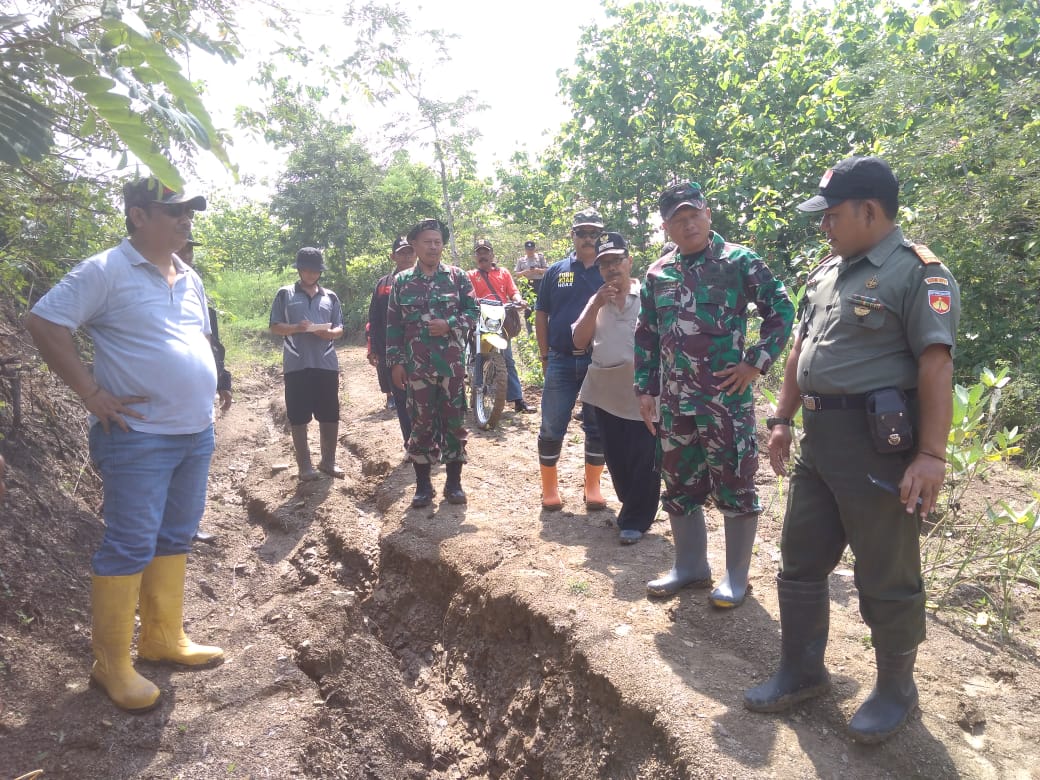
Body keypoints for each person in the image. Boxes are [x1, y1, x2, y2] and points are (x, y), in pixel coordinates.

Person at [743, 156, 960, 744]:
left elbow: (935, 366)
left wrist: (931, 457)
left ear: (870, 210)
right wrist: (782, 418)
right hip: (818, 442)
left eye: (833, 215)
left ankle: (896, 690)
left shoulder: (918, 275)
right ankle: (802, 670)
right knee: (801, 560)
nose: (825, 227)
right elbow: (797, 351)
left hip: (879, 450)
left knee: (886, 572)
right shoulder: (827, 272)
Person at [26, 175, 223, 713]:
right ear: (139, 215)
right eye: (175, 211)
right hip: (137, 437)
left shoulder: (189, 276)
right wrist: (91, 392)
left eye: (191, 211)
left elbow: (194, 342)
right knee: (130, 543)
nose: (186, 220)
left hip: (193, 433)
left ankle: (162, 638)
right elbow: (43, 323)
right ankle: (111, 664)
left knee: (175, 536)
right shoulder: (105, 270)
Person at [635, 181, 794, 608]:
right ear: (666, 227)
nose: (688, 224)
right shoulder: (657, 273)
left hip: (725, 399)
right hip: (674, 401)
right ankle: (690, 566)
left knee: (735, 481)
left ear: (708, 214)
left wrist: (755, 362)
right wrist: (645, 390)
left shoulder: (738, 261)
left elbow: (781, 309)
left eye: (694, 214)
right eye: (677, 219)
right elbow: (646, 333)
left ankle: (736, 576)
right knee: (680, 481)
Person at [572, 233, 661, 544]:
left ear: (629, 262)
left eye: (616, 261)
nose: (611, 269)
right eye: (604, 264)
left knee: (644, 456)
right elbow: (578, 341)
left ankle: (637, 518)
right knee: (617, 456)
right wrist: (595, 303)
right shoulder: (596, 302)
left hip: (643, 392)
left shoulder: (649, 296)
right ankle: (630, 507)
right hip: (605, 392)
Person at [386, 218, 478, 507]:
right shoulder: (401, 282)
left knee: (454, 422)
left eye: (438, 242)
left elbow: (474, 311)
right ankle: (423, 486)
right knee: (421, 423)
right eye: (428, 241)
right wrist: (396, 363)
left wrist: (450, 324)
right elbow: (393, 326)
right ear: (415, 246)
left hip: (451, 367)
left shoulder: (457, 277)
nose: (434, 247)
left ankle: (454, 483)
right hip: (417, 369)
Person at [535, 209, 606, 512]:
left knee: (597, 427)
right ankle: (549, 490)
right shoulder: (556, 270)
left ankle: (593, 488)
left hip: (599, 362)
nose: (588, 238)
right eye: (582, 233)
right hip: (561, 360)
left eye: (594, 233)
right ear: (572, 235)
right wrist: (544, 355)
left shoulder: (608, 269)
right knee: (552, 425)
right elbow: (541, 314)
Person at [268, 247, 345, 480]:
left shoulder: (330, 296)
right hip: (297, 363)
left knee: (330, 413)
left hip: (326, 362)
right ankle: (305, 467)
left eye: (315, 271)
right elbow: (274, 325)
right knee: (298, 415)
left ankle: (328, 462)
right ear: (299, 269)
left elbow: (340, 328)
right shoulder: (285, 294)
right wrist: (297, 328)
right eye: (307, 270)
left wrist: (330, 334)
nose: (311, 274)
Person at [467, 238, 535, 414]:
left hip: (500, 319)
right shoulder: (470, 276)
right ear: (475, 256)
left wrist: (518, 300)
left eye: (486, 252)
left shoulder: (503, 273)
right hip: (479, 318)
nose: (482, 256)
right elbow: (465, 293)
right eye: (479, 252)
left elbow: (513, 291)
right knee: (468, 354)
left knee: (507, 358)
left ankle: (518, 399)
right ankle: (463, 395)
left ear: (492, 254)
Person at [368, 236, 414, 444]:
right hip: (393, 352)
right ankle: (410, 443)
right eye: (401, 252)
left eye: (409, 251)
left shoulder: (425, 279)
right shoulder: (383, 285)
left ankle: (432, 443)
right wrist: (374, 348)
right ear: (393, 256)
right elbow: (375, 319)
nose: (406, 256)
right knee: (403, 399)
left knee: (428, 399)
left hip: (422, 350)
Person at [178, 235, 232, 412]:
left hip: (197, 396)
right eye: (181, 249)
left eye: (189, 249)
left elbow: (211, 342)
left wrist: (222, 380)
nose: (186, 255)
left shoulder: (195, 285)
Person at [515, 239, 547, 334]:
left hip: (539, 283)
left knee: (540, 307)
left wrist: (537, 270)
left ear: (534, 249)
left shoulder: (540, 258)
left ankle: (541, 331)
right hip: (526, 285)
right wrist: (525, 272)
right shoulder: (521, 260)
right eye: (528, 249)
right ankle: (530, 332)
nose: (530, 251)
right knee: (527, 307)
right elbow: (517, 274)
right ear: (525, 249)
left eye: (532, 249)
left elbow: (546, 270)